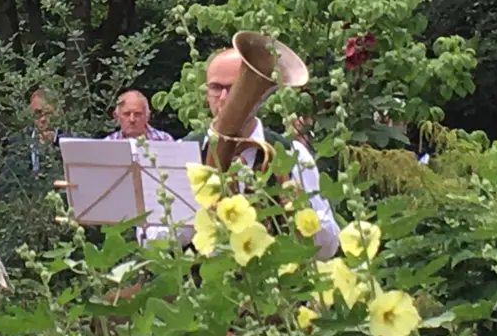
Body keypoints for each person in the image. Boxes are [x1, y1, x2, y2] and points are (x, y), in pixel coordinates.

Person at [188, 48, 341, 260]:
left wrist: (300, 210)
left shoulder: (292, 153)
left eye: (233, 88)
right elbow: (152, 238)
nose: (223, 98)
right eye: (215, 88)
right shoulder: (184, 151)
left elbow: (328, 249)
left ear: (257, 96)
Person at [105, 89, 174, 142]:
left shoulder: (164, 140)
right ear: (116, 116)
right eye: (127, 114)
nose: (132, 119)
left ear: (147, 116)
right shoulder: (107, 144)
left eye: (138, 114)